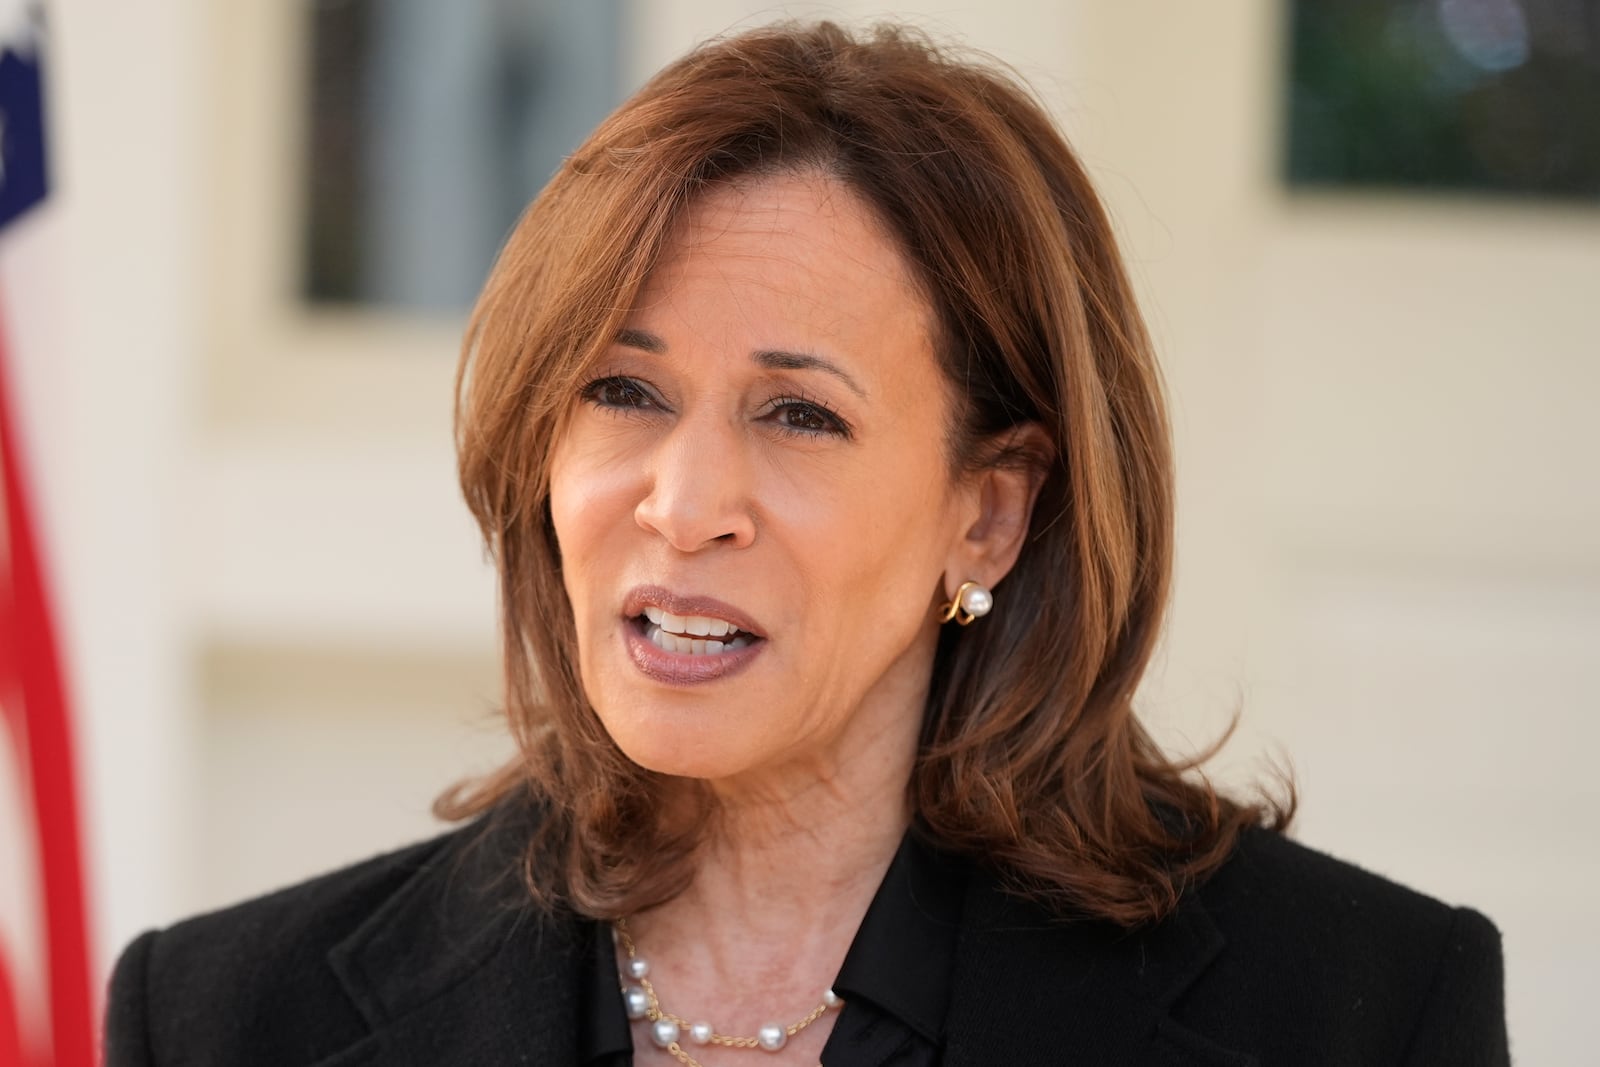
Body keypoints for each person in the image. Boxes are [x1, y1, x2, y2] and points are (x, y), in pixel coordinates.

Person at [104, 20, 1509, 1066]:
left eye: (798, 414)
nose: (685, 498)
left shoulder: (1355, 1011)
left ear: (991, 511)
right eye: (624, 391)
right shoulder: (228, 1020)